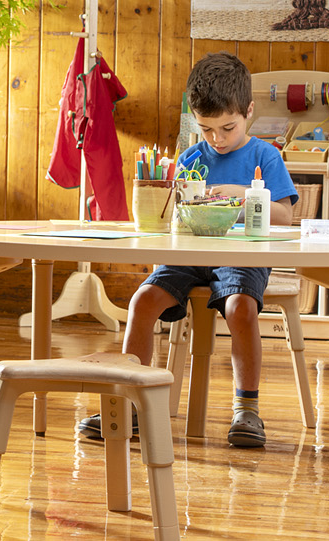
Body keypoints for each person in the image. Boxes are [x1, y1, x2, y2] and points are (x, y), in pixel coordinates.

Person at [76, 53, 297, 447]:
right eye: (207, 129)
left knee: (240, 308)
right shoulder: (191, 159)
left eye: (228, 127)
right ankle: (132, 402)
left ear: (249, 111)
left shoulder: (265, 156)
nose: (218, 138)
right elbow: (174, 217)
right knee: (143, 300)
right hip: (189, 254)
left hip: (241, 257)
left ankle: (246, 409)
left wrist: (242, 194)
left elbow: (283, 216)